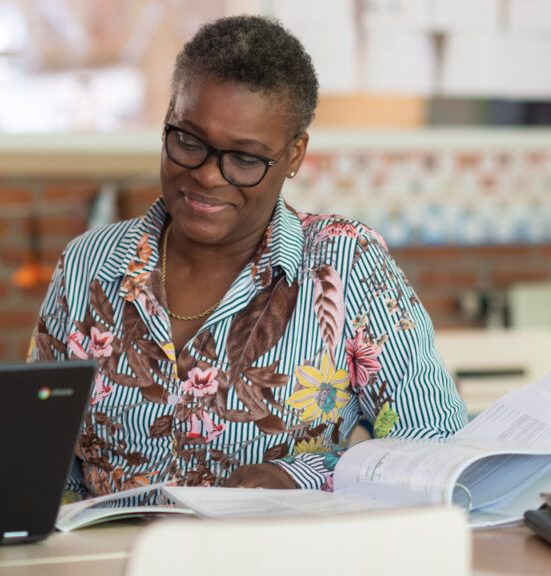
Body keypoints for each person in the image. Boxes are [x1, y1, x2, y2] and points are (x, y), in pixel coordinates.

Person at [30, 15, 466, 498]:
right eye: (189, 141)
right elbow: (43, 453)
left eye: (245, 158)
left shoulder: (344, 263)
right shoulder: (90, 263)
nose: (208, 176)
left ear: (294, 155)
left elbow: (436, 447)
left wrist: (300, 476)